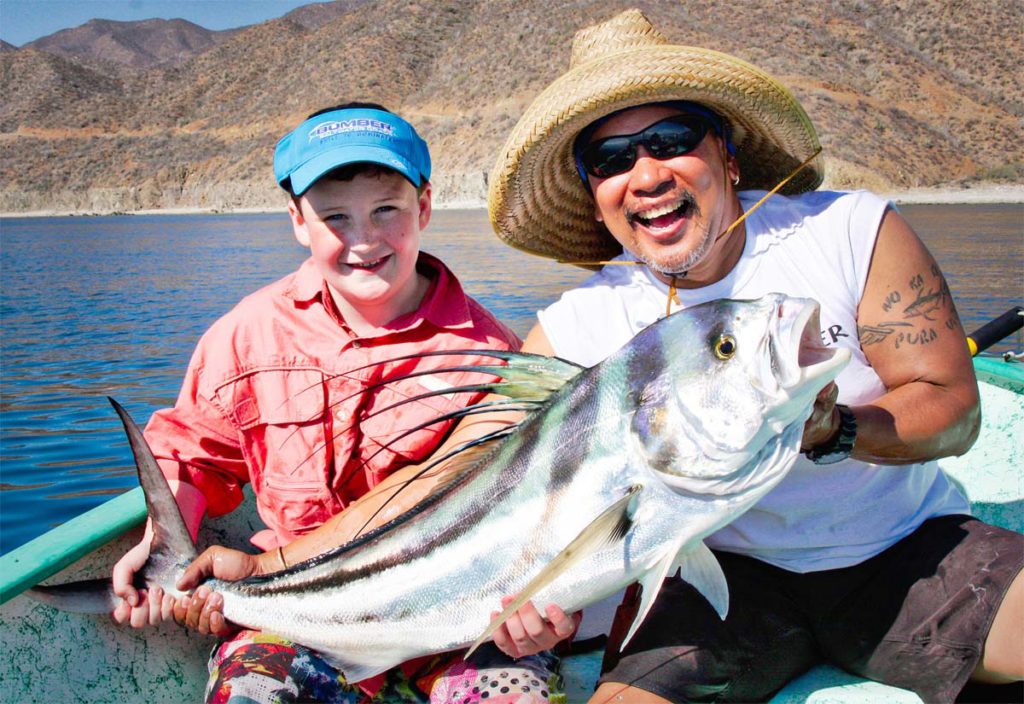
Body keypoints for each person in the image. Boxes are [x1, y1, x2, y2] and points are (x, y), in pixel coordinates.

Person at [477, 9, 1022, 704]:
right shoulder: (581, 323)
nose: (645, 175)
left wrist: (837, 430)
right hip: (718, 580)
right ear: (595, 195)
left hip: (904, 550)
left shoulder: (847, 231)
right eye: (611, 160)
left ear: (727, 157)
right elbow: (483, 469)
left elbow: (952, 408)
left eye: (671, 140)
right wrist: (521, 596)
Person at [109, 103, 562, 703]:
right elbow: (195, 453)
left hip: (460, 620)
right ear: (298, 219)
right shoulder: (246, 335)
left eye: (386, 211)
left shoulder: (494, 356)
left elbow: (531, 509)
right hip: (293, 614)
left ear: (424, 206)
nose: (365, 240)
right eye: (335, 218)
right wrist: (161, 547)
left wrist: (533, 603)